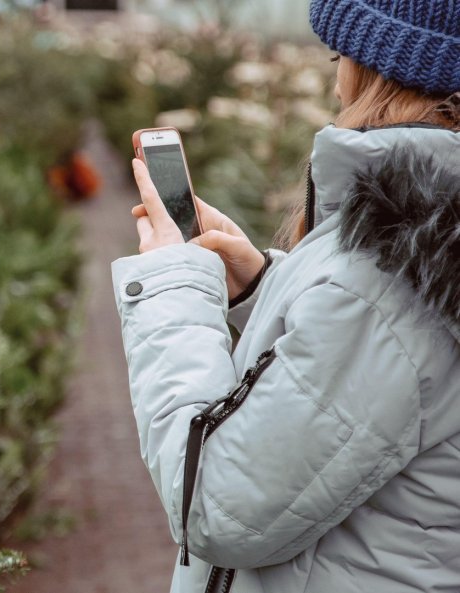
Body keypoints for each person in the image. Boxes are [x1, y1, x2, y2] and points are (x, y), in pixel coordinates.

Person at [111, 1, 460, 592]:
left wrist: (172, 285)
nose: (333, 78)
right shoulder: (422, 242)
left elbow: (219, 508)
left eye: (339, 56)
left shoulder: (389, 277)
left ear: (386, 71)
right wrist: (261, 287)